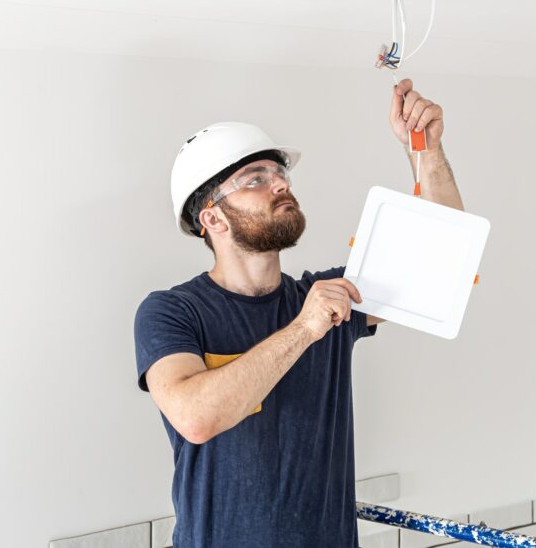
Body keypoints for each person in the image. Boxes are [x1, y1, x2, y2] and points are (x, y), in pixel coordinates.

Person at [134, 79, 464, 547]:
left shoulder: (326, 296)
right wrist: (305, 328)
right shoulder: (173, 312)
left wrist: (427, 150)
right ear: (212, 218)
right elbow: (196, 417)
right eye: (256, 179)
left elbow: (444, 260)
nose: (281, 184)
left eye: (279, 173)